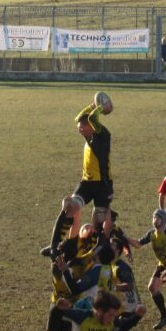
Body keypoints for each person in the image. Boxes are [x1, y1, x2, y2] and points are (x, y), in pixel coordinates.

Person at [42, 99, 114, 259]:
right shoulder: (89, 138)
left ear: (90, 126)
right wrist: (91, 106)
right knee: (70, 207)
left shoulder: (103, 136)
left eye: (82, 127)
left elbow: (93, 119)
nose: (79, 129)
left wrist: (101, 106)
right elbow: (78, 118)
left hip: (103, 185)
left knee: (99, 222)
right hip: (87, 183)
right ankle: (54, 246)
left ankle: (100, 248)